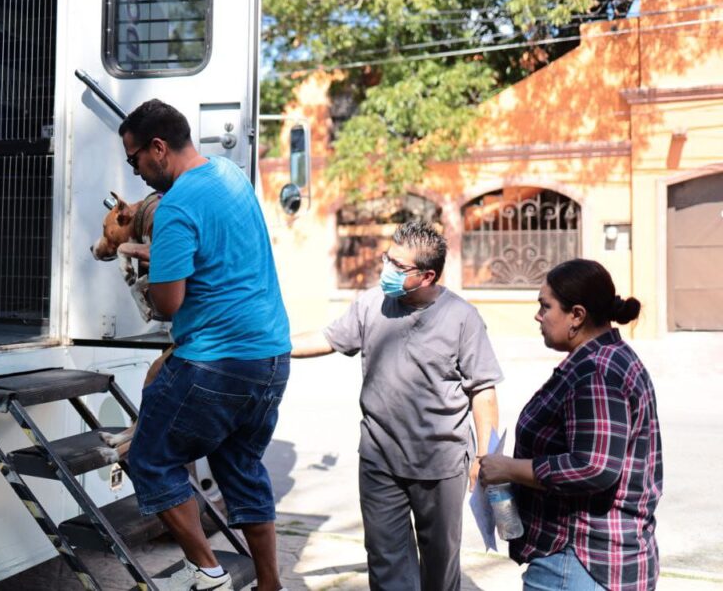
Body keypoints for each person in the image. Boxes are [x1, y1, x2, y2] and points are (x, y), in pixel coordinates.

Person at [120, 99, 291, 591]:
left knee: (149, 458)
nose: (136, 172)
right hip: (271, 358)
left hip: (214, 362)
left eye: (135, 160)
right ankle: (269, 584)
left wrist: (149, 272)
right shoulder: (231, 176)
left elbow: (169, 303)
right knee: (241, 468)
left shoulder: (175, 205)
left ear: (158, 148)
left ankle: (207, 571)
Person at [292, 221, 502, 591]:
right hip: (379, 459)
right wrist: (268, 345)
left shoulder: (461, 318)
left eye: (398, 266)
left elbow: (482, 389)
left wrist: (484, 455)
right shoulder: (373, 303)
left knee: (439, 567)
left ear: (428, 275)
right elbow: (327, 338)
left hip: (440, 463)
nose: (385, 269)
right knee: (386, 564)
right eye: (388, 259)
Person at [479, 259, 662, 591]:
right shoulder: (604, 358)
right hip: (588, 559)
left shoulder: (597, 372)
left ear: (576, 315)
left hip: (581, 560)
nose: (538, 316)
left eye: (545, 306)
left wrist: (509, 468)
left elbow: (594, 467)